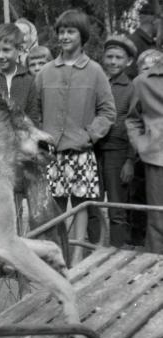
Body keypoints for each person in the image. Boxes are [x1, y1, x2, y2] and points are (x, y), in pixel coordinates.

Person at [36, 9, 116, 265]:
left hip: (81, 152)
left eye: (70, 31)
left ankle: (79, 256)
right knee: (55, 208)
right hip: (52, 154)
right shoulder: (45, 72)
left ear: (82, 36)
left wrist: (89, 135)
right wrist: (41, 137)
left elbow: (108, 111)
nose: (64, 36)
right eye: (61, 32)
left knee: (82, 205)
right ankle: (58, 255)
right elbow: (35, 111)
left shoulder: (95, 71)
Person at [94, 35, 137, 247]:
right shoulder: (97, 83)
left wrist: (130, 160)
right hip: (94, 151)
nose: (113, 61)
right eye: (109, 56)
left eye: (119, 58)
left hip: (118, 154)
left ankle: (118, 252)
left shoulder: (132, 88)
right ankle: (94, 251)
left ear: (128, 61)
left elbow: (135, 125)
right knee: (92, 206)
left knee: (117, 209)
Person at [126, 58, 163, 253]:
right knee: (158, 220)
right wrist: (142, 145)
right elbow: (133, 119)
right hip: (157, 160)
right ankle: (156, 268)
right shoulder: (143, 82)